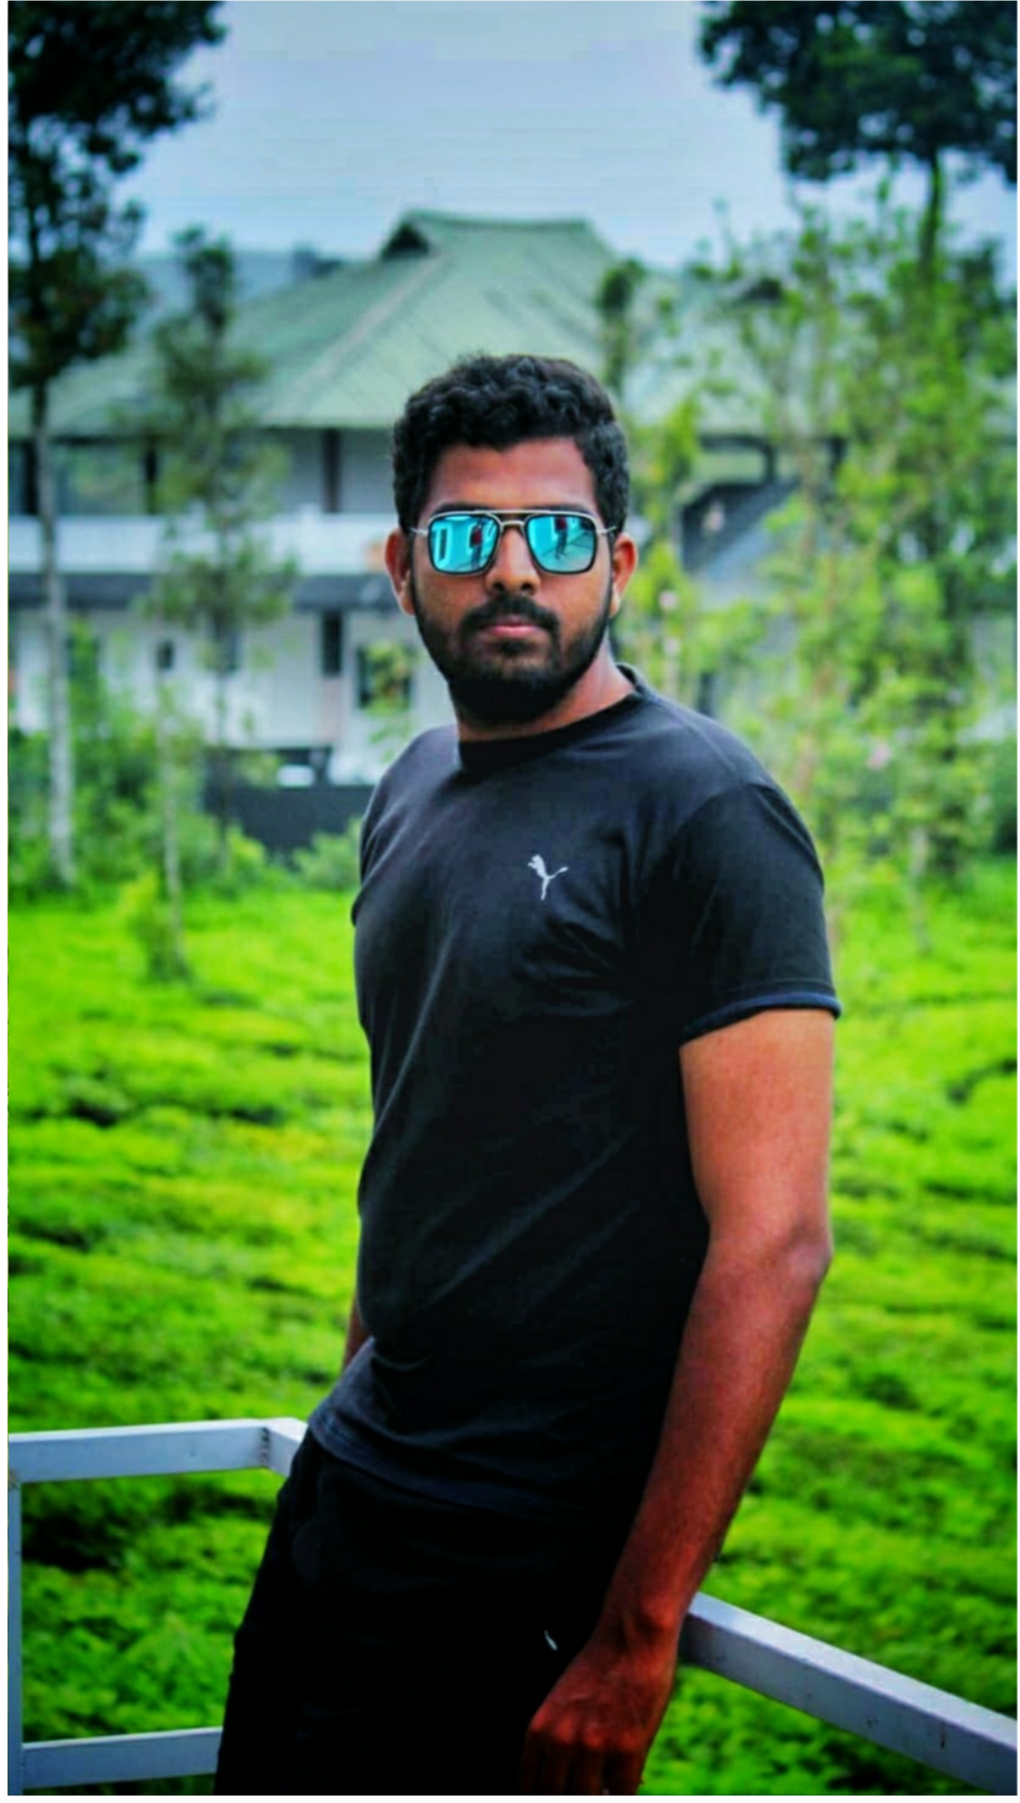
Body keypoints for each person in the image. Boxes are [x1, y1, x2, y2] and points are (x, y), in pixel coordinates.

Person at [215, 353, 839, 1797]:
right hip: (352, 1490)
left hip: (527, 1553)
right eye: (465, 535)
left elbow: (776, 1241)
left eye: (556, 533)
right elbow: (419, 1144)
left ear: (617, 562)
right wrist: (349, 1409)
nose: (512, 570)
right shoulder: (410, 790)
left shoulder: (707, 811)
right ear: (403, 568)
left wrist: (637, 1633)